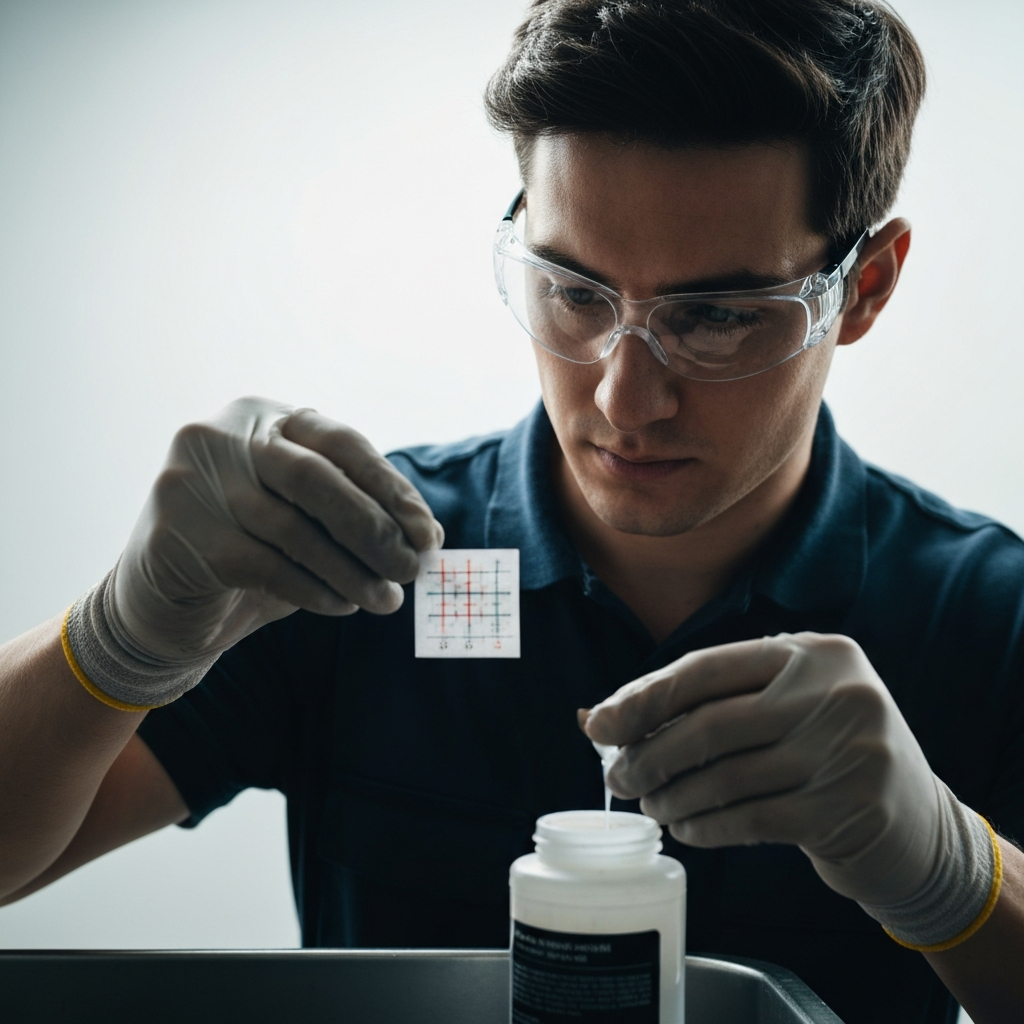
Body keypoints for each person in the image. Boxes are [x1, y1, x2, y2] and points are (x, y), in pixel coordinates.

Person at [0, 1, 1022, 1021]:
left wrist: (954, 875)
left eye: (715, 316)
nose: (625, 400)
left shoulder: (984, 617)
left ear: (866, 288)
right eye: (573, 291)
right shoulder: (353, 565)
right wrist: (115, 640)